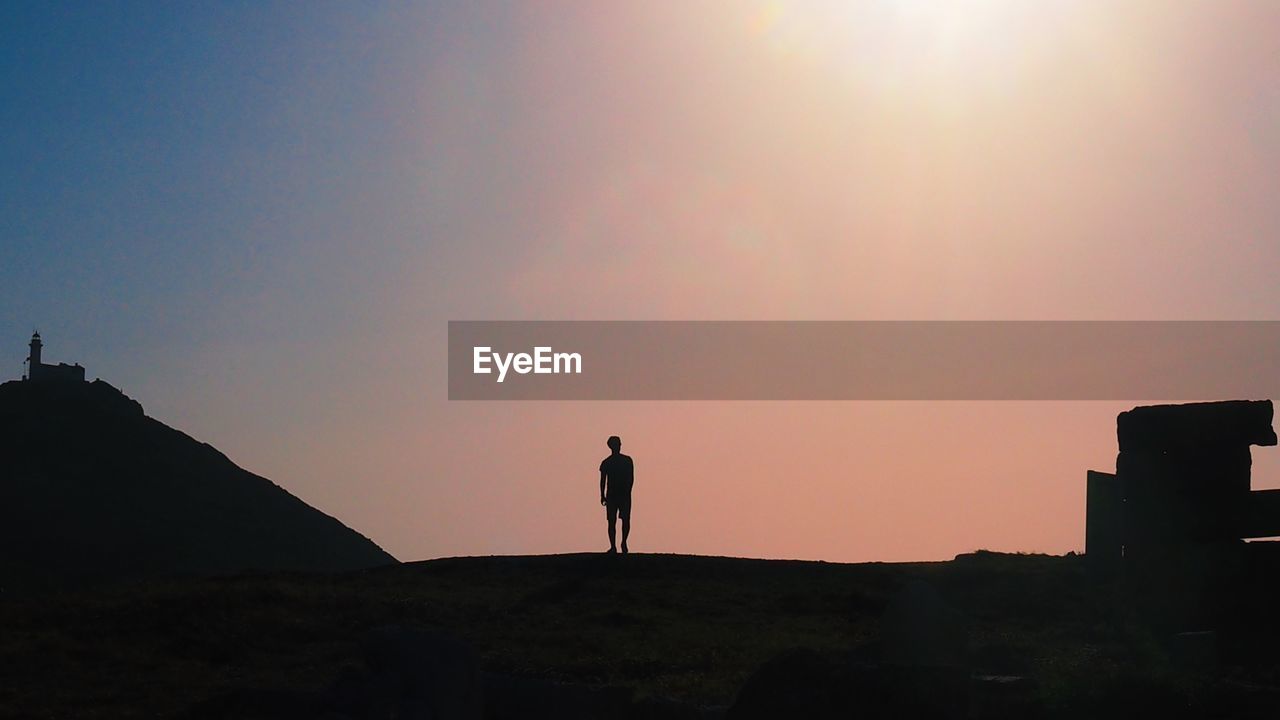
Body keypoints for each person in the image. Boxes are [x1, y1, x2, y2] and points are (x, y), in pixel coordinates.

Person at [599, 435, 634, 554]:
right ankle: (613, 546)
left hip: (622, 494)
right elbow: (603, 480)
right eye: (617, 444)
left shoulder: (627, 460)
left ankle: (623, 542)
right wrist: (602, 495)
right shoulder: (606, 463)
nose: (619, 446)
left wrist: (628, 492)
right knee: (612, 521)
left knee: (625, 520)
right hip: (613, 495)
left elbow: (631, 479)